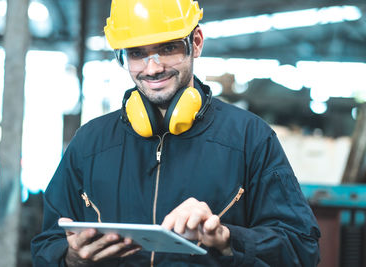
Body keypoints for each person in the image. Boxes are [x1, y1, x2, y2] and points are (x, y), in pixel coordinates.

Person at [31, 0, 320, 266]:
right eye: (136, 54)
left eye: (168, 48)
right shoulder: (89, 143)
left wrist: (228, 239)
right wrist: (69, 258)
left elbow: (302, 248)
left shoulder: (249, 138)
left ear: (196, 42)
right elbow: (45, 245)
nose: (153, 67)